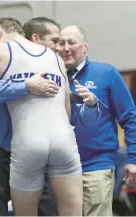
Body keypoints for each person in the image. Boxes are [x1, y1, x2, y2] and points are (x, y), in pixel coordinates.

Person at [0, 17, 100, 216]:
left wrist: (19, 84)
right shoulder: (55, 59)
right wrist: (25, 85)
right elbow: (67, 112)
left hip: (27, 142)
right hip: (62, 140)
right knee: (71, 212)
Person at [57, 25, 136, 216]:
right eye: (61, 43)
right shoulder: (52, 77)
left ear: (85, 47)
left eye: (72, 42)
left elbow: (130, 118)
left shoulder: (106, 74)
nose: (66, 47)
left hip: (96, 165)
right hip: (58, 168)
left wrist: (133, 158)